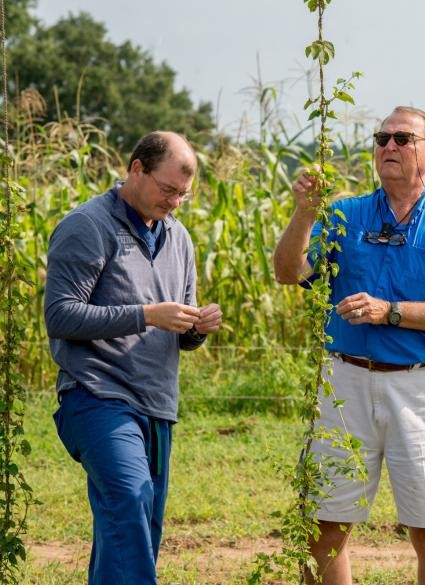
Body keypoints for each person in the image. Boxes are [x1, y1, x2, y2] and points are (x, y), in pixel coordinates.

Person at [274, 106, 425, 585]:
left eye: (402, 139)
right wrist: (304, 214)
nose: (389, 147)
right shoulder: (344, 214)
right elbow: (290, 272)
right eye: (381, 139)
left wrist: (391, 311)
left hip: (422, 388)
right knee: (323, 526)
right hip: (345, 381)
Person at [45, 131, 222, 585]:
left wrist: (196, 327)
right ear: (136, 168)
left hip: (157, 403)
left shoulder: (179, 237)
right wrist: (146, 315)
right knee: (129, 499)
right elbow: (61, 316)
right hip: (97, 395)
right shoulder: (87, 225)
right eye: (168, 190)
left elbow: (178, 334)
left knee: (136, 528)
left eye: (183, 194)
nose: (176, 202)